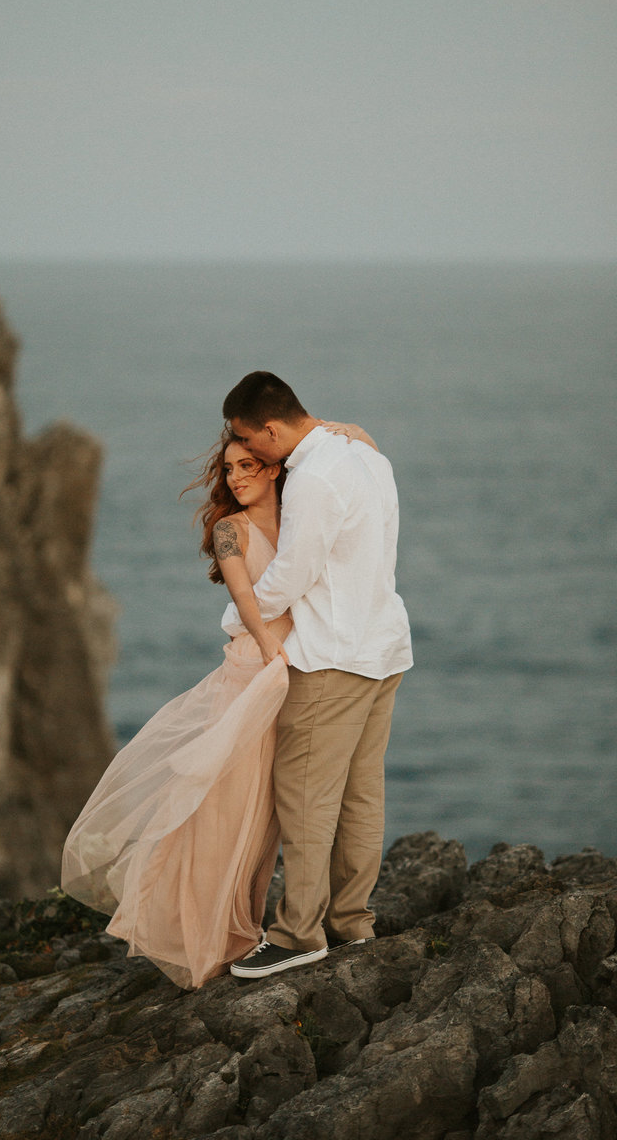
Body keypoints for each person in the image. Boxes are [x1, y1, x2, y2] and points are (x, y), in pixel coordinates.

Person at [61, 429, 291, 989]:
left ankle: (243, 926)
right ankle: (205, 938)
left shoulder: (301, 522)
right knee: (222, 809)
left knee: (265, 816)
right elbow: (243, 595)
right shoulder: (228, 531)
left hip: (289, 675)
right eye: (230, 469)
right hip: (253, 674)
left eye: (247, 466)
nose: (235, 478)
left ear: (275, 468)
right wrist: (266, 646)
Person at [223, 371, 413, 980]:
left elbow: (290, 576)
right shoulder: (363, 455)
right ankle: (352, 923)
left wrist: (236, 618)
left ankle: (298, 934)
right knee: (361, 793)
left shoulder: (313, 479)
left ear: (273, 430)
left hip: (333, 657)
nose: (247, 451)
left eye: (249, 440)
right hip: (384, 648)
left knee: (305, 796)